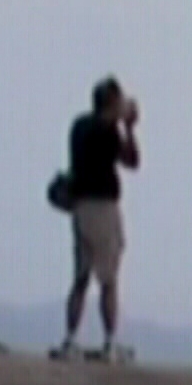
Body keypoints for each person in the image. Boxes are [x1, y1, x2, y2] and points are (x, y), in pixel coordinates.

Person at [59, 75, 141, 361]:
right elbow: (132, 161)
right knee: (109, 279)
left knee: (81, 277)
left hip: (80, 208)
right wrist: (129, 127)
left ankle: (70, 340)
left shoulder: (79, 126)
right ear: (111, 103)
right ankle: (109, 343)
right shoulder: (107, 131)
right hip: (103, 208)